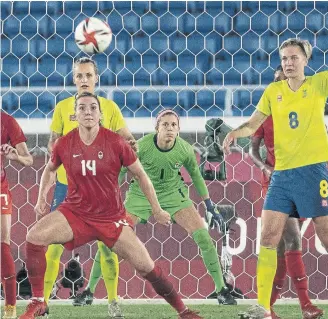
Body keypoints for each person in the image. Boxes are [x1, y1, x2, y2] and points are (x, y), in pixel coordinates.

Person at [224, 24, 328, 319]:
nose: (288, 63)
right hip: (282, 176)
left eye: (293, 57)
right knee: (268, 238)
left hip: (313, 174)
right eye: (284, 58)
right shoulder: (273, 91)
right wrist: (236, 132)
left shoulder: (318, 84)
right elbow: (253, 122)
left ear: (305, 60)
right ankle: (263, 306)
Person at [19, 93, 202, 319]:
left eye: (93, 108)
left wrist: (156, 208)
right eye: (83, 108)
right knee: (34, 237)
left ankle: (183, 311)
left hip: (111, 219)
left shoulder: (116, 143)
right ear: (75, 115)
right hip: (75, 213)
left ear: (100, 114)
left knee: (146, 266)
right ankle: (38, 302)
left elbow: (141, 176)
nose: (88, 112)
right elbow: (49, 169)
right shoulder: (64, 143)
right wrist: (40, 198)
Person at [74, 109, 236, 306]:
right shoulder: (142, 147)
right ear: (156, 127)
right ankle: (89, 291)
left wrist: (209, 205)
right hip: (140, 195)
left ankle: (221, 290)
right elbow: (122, 170)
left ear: (178, 129)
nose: (169, 128)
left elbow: (195, 176)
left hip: (173, 194)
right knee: (112, 238)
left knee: (203, 236)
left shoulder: (184, 149)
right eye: (165, 124)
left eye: (173, 125)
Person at [250, 67, 328, 319]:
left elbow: (325, 147)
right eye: (275, 80)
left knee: (282, 248)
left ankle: (267, 307)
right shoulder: (266, 114)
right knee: (292, 237)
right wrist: (265, 167)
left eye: (282, 78)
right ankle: (305, 305)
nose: (280, 82)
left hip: (305, 180)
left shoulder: (307, 111)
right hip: (276, 182)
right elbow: (252, 149)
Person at [44, 57, 136, 317]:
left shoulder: (109, 107)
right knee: (54, 246)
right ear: (73, 79)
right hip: (66, 187)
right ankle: (43, 301)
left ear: (97, 78)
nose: (84, 80)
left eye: (88, 75)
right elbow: (53, 144)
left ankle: (113, 302)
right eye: (79, 76)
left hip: (101, 192)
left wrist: (130, 146)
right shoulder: (63, 108)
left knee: (107, 248)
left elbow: (127, 138)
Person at [1, 112, 33, 319]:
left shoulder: (7, 122)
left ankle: (10, 310)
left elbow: (29, 160)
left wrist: (15, 156)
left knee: (3, 244)